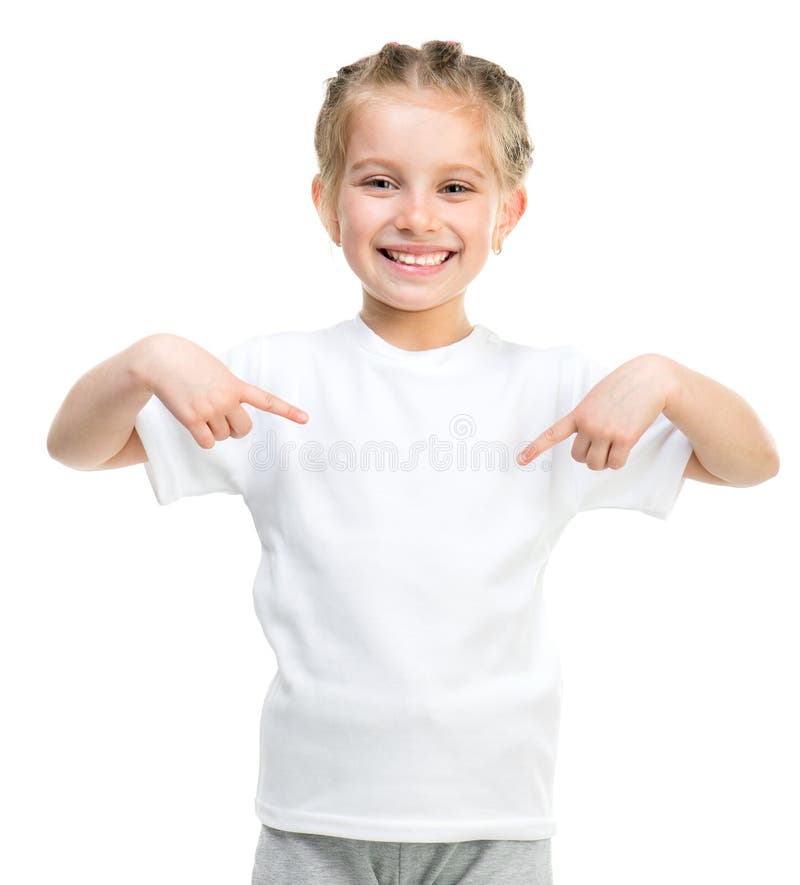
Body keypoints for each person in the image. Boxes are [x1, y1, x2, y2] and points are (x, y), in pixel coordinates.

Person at [46, 39, 780, 885]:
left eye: (457, 187)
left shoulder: (556, 389)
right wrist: (145, 359)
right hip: (312, 819)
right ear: (328, 205)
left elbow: (751, 463)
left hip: (494, 821)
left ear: (507, 214)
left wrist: (666, 378)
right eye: (380, 180)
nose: (418, 216)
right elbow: (76, 447)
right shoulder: (273, 379)